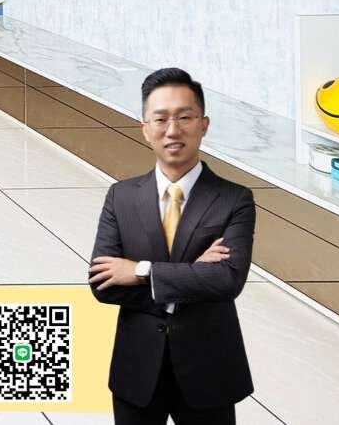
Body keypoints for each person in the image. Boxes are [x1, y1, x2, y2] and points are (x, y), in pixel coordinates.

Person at [88, 67, 255, 424]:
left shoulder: (235, 199)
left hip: (208, 370)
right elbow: (103, 284)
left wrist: (140, 271)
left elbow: (227, 280)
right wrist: (194, 274)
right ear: (145, 129)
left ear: (204, 124)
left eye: (185, 117)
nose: (173, 130)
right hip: (137, 368)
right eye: (161, 119)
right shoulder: (120, 196)